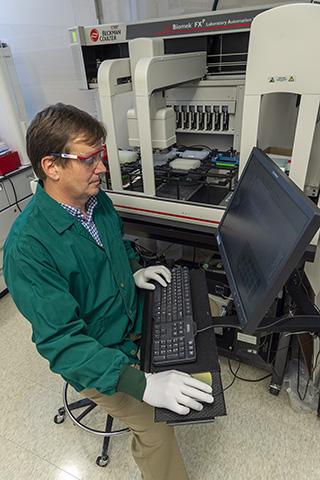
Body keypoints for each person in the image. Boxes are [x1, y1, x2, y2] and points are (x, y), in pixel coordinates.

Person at [4, 103, 213, 480]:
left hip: (129, 322)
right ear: (51, 167)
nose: (101, 168)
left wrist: (134, 271)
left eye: (100, 156)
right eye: (89, 159)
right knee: (157, 427)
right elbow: (64, 344)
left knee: (200, 325)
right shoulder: (28, 250)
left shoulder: (95, 202)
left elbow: (116, 248)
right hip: (97, 354)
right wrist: (142, 384)